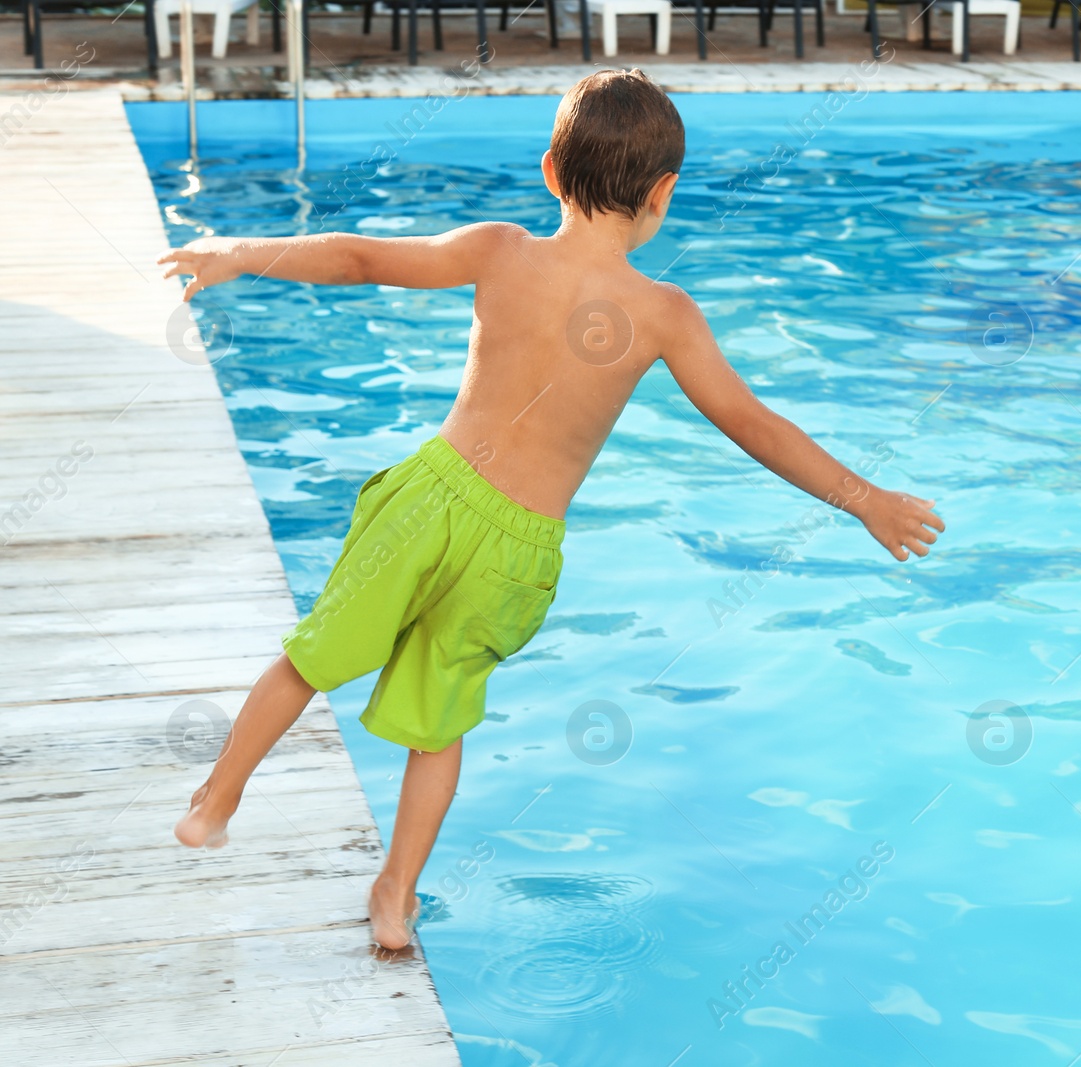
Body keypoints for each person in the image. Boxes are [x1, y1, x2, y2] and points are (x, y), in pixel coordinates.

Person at [159, 68, 944, 950]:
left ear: (548, 170)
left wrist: (236, 254)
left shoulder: (500, 251)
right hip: (514, 551)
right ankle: (394, 896)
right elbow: (755, 426)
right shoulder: (666, 314)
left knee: (310, 659)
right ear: (662, 194)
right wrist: (864, 499)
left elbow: (360, 259)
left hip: (430, 501)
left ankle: (219, 796)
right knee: (440, 721)